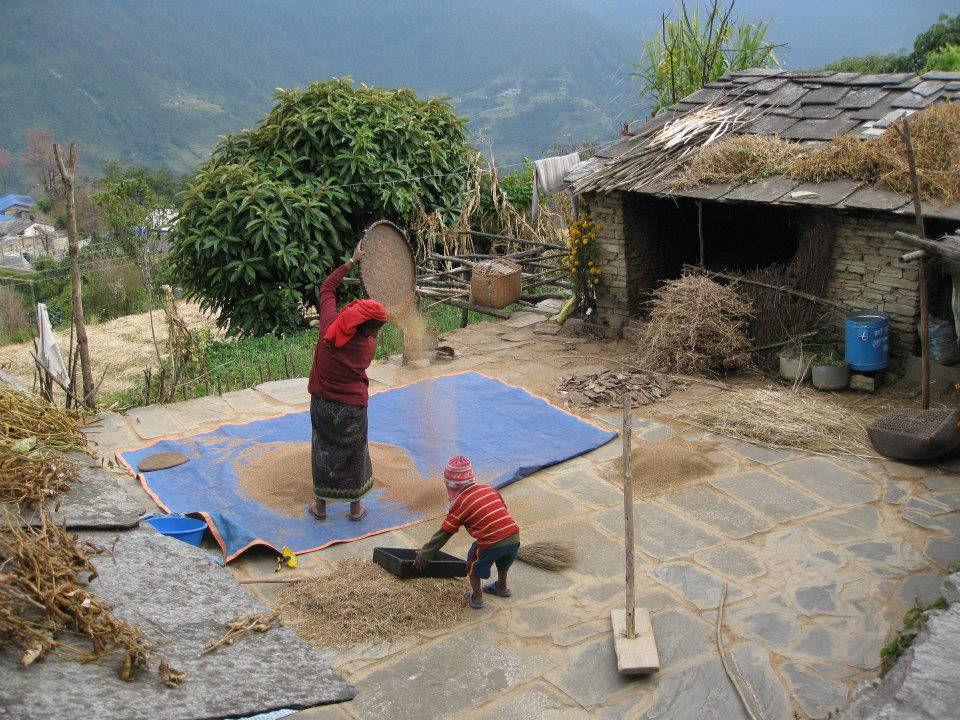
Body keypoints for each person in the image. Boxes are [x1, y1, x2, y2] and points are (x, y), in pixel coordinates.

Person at [306, 241, 387, 522]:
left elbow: (328, 287)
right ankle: (355, 509)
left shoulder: (330, 325)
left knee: (322, 450)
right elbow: (369, 325)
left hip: (323, 404)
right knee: (354, 451)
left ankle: (321, 508)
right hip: (352, 407)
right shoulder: (368, 346)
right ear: (371, 331)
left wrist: (352, 261)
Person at [413, 456, 520, 609]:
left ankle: (477, 597)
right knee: (503, 562)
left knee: (473, 564)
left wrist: (425, 553)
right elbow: (502, 510)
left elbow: (445, 533)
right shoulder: (489, 489)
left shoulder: (460, 503)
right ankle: (502, 587)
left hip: (492, 542)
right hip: (514, 536)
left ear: (450, 486)